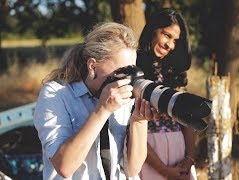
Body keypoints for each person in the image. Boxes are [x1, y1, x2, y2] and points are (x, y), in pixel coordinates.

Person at [33, 22, 159, 180]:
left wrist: (139, 121)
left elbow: (132, 169)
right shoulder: (56, 94)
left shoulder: (124, 94)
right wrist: (102, 110)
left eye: (131, 69)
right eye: (122, 71)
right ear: (92, 66)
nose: (127, 78)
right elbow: (64, 167)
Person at [137, 8, 197, 180]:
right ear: (152, 30)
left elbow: (188, 120)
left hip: (180, 152)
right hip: (147, 154)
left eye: (175, 40)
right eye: (166, 35)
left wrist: (190, 158)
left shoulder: (174, 72)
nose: (169, 45)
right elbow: (129, 128)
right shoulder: (134, 69)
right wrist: (163, 170)